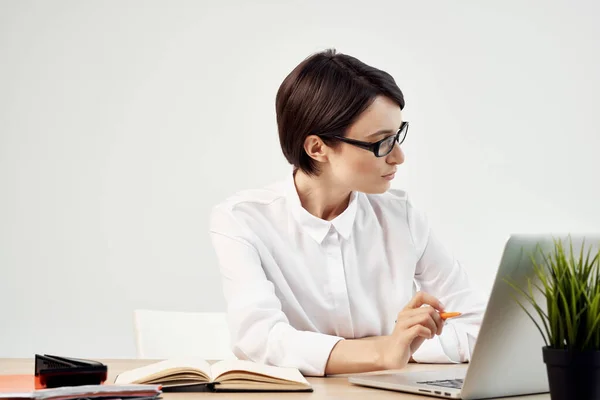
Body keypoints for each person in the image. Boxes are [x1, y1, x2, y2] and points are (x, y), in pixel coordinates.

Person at [209, 49, 486, 377]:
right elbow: (258, 340)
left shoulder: (402, 218)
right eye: (381, 142)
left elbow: (478, 325)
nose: (398, 156)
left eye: (397, 136)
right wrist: (384, 350)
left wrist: (403, 348)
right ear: (317, 148)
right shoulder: (243, 220)